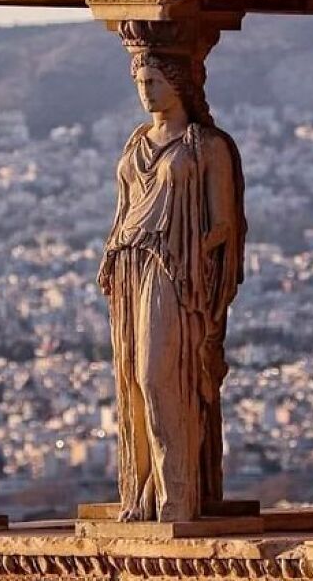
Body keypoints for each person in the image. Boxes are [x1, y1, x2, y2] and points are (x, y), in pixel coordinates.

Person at [98, 48, 245, 522]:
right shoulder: (134, 143)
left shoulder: (206, 146)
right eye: (140, 82)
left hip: (176, 272)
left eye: (154, 81)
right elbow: (123, 208)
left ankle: (177, 492)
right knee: (134, 381)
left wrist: (195, 257)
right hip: (131, 266)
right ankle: (147, 489)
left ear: (179, 83)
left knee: (160, 377)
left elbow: (224, 222)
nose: (145, 91)